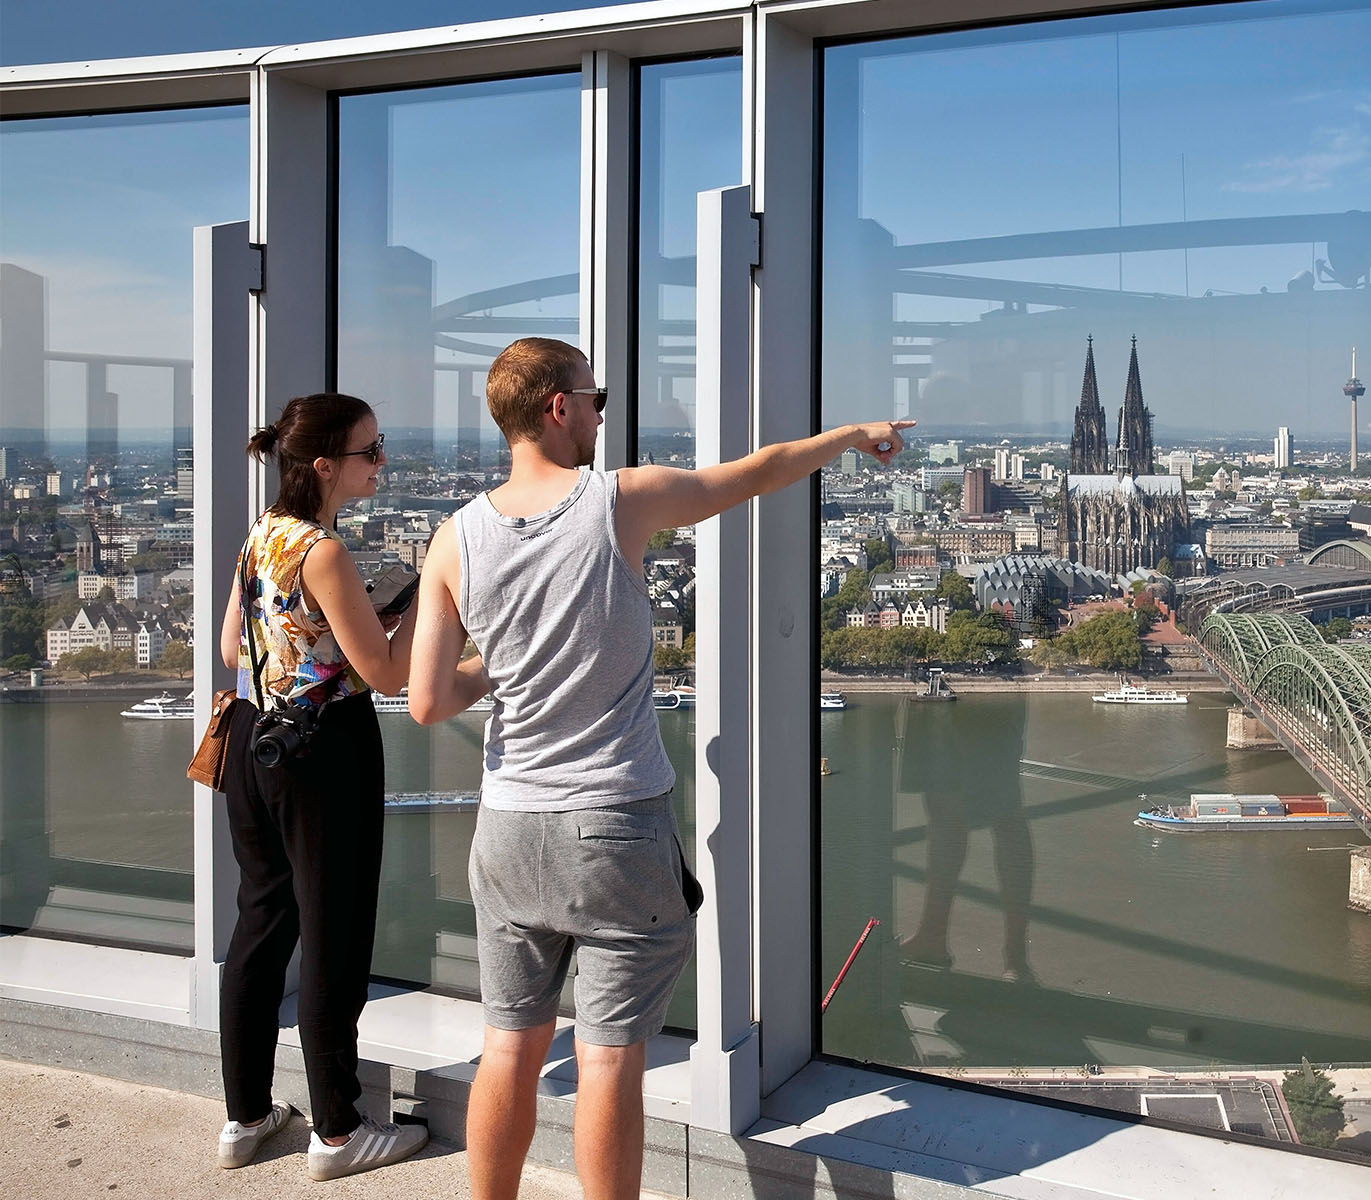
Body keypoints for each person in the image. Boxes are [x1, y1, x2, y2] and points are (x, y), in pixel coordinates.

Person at [408, 337, 909, 1200]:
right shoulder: (617, 501)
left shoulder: (455, 538)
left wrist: (517, 659)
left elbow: (424, 701)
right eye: (594, 393)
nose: (603, 409)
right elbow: (755, 473)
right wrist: (850, 435)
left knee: (509, 1045)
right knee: (607, 1059)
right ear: (558, 407)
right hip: (611, 823)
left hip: (506, 826)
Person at [214, 393, 432, 1180]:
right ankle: (338, 1132)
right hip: (323, 751)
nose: (382, 464)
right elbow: (384, 672)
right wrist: (423, 594)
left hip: (253, 742)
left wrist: (347, 630)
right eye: (371, 452)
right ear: (325, 466)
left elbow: (233, 646)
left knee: (262, 923)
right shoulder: (324, 553)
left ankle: (244, 1117)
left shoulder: (262, 536)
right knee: (333, 937)